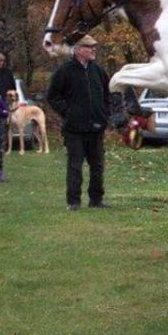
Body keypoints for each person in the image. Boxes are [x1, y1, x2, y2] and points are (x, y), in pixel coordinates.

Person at [47, 34, 110, 210]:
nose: (93, 50)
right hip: (74, 129)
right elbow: (52, 96)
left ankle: (96, 200)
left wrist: (105, 114)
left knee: (97, 165)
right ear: (78, 50)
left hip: (96, 127)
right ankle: (73, 201)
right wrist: (68, 112)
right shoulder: (64, 71)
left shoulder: (98, 71)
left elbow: (107, 95)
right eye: (89, 47)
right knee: (75, 165)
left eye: (94, 47)